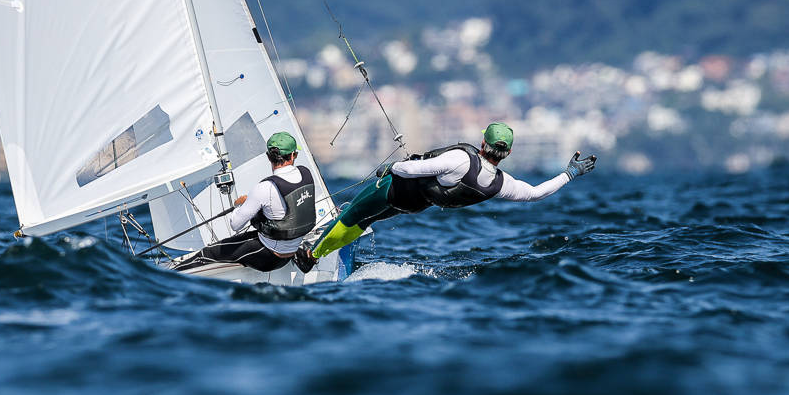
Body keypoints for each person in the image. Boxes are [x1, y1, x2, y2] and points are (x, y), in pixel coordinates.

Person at [310, 122, 597, 258]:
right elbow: (536, 193)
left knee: (354, 215)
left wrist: (391, 169)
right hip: (415, 205)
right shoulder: (500, 184)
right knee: (366, 220)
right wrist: (569, 173)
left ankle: (311, 256)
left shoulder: (462, 159)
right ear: (507, 153)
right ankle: (324, 249)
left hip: (393, 189)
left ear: (483, 144)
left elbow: (410, 170)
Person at [171, 131, 321, 274]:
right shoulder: (305, 173)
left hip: (268, 258)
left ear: (269, 157)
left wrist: (245, 203)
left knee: (206, 254)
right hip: (292, 250)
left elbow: (235, 225)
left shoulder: (264, 188)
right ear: (294, 155)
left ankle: (168, 277)